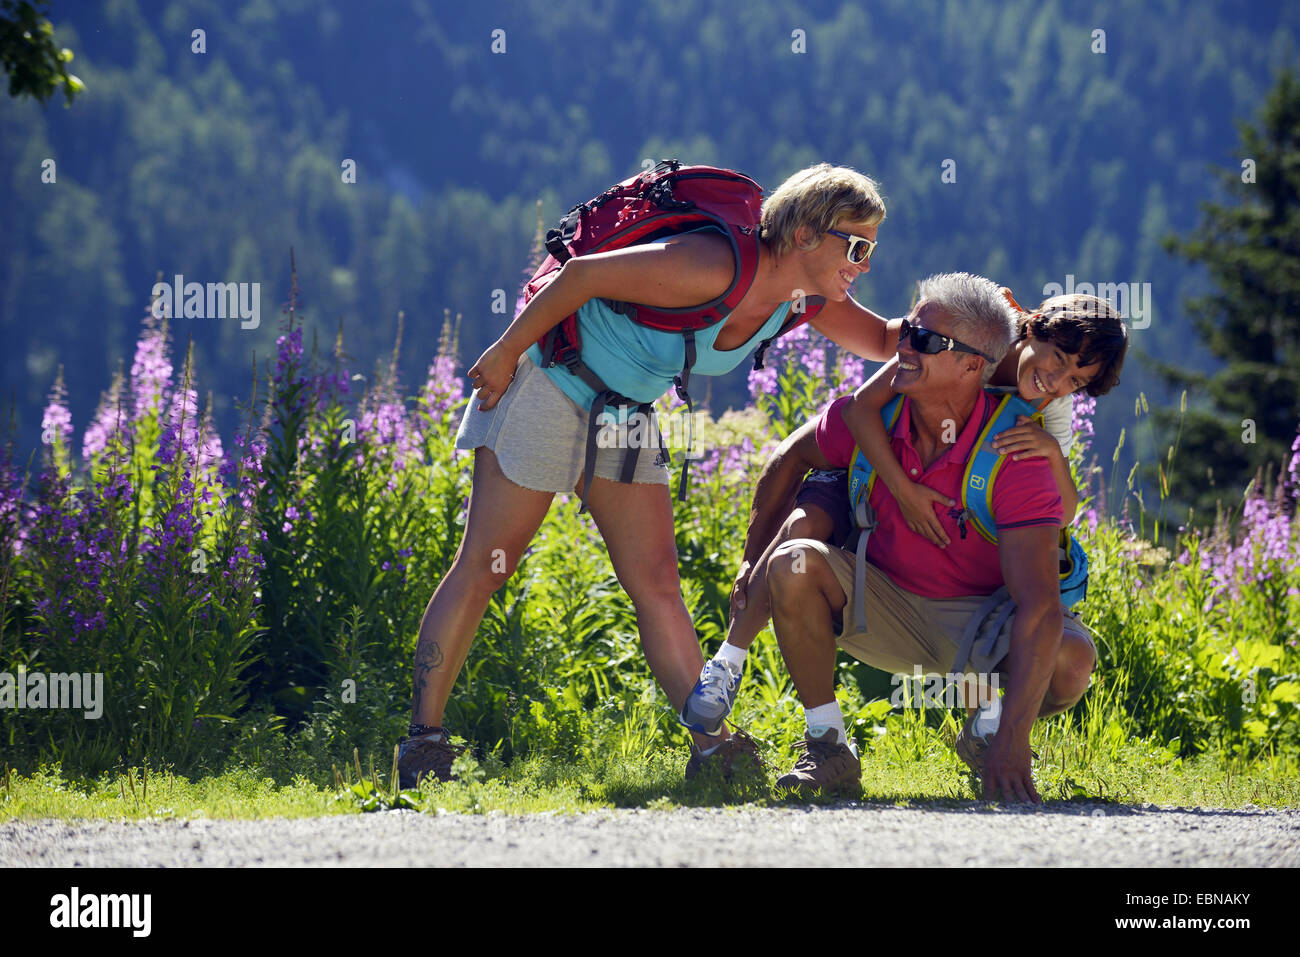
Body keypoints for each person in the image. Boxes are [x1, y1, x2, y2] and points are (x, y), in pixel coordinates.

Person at [397, 164, 899, 788]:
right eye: (856, 246)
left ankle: (712, 749)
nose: (865, 264)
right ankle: (423, 744)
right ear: (804, 234)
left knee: (658, 580)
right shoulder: (712, 265)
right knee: (487, 565)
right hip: (550, 381)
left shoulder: (806, 300)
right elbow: (580, 277)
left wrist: (993, 330)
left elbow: (884, 339)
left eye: (871, 250)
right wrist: (502, 352)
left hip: (626, 413)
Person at [679, 290, 1128, 741]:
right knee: (801, 532)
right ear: (1031, 330)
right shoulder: (951, 344)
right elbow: (860, 406)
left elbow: (1059, 513)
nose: (1057, 379)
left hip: (956, 574)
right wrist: (904, 491)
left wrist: (1051, 454)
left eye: (1076, 379)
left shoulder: (1051, 412)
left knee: (1058, 651)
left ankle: (987, 719)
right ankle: (731, 667)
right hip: (871, 473)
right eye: (1058, 358)